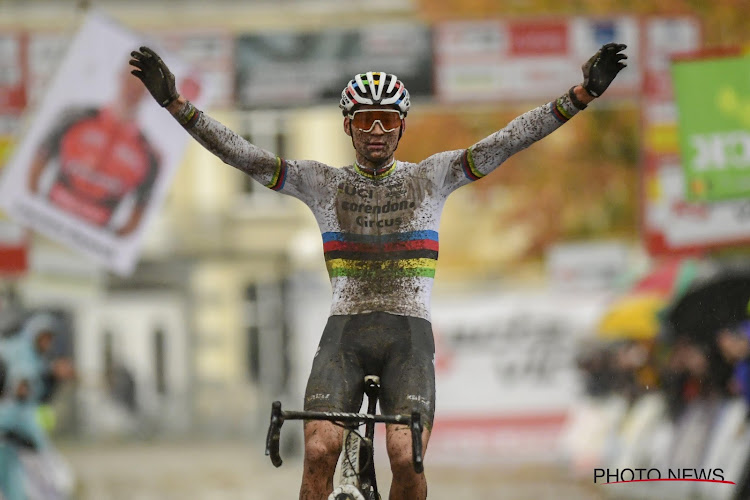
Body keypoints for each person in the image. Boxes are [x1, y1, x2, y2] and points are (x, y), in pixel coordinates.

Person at [130, 42, 627, 500]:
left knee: (404, 459)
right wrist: (176, 105)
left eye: (387, 121)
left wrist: (580, 95)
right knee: (320, 452)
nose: (376, 132)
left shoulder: (432, 176)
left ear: (403, 126)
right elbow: (244, 155)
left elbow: (508, 140)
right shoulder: (319, 182)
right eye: (365, 120)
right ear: (347, 125)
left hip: (407, 336)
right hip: (344, 334)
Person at [27, 62, 160, 237]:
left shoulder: (149, 154)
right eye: (131, 78)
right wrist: (38, 215)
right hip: (45, 227)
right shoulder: (75, 117)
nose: (134, 88)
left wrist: (102, 243)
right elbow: (35, 167)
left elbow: (137, 215)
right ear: (120, 75)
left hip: (92, 242)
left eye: (143, 84)